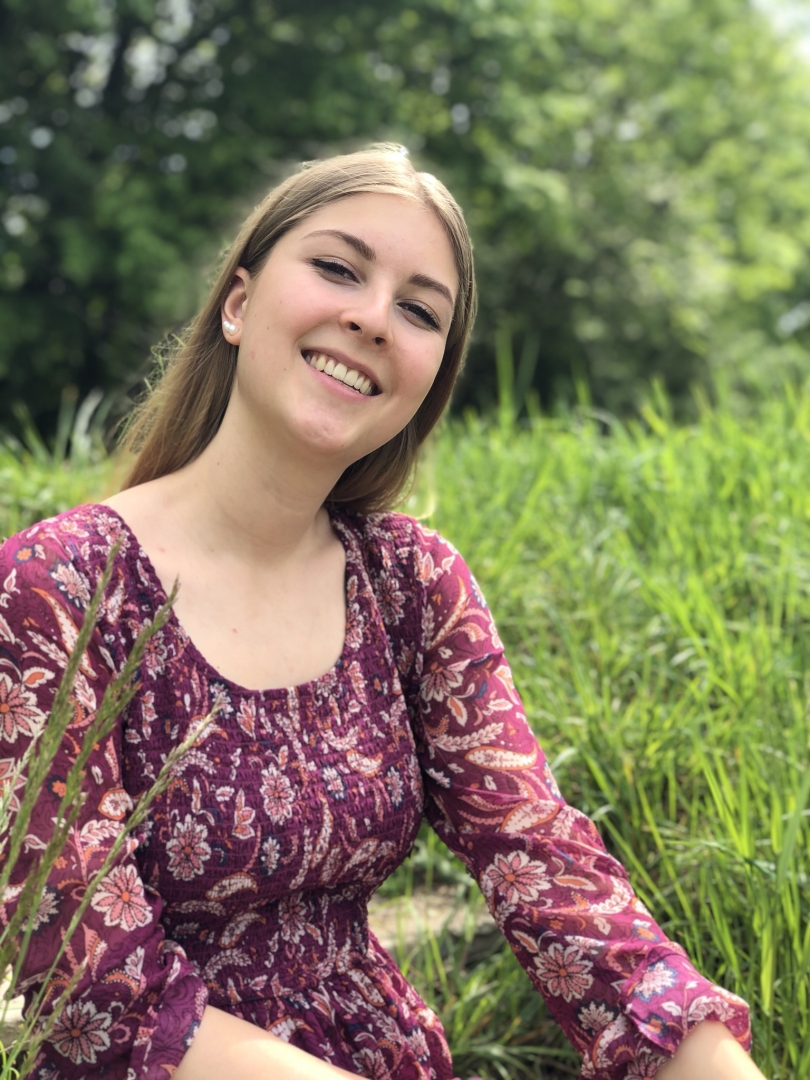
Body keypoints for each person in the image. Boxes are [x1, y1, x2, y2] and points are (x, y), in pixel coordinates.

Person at [0, 145, 765, 1080]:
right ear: (238, 303)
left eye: (419, 310)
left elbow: (544, 861)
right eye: (337, 268)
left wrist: (696, 1045)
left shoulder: (410, 583)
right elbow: (86, 984)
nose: (371, 318)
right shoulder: (58, 587)